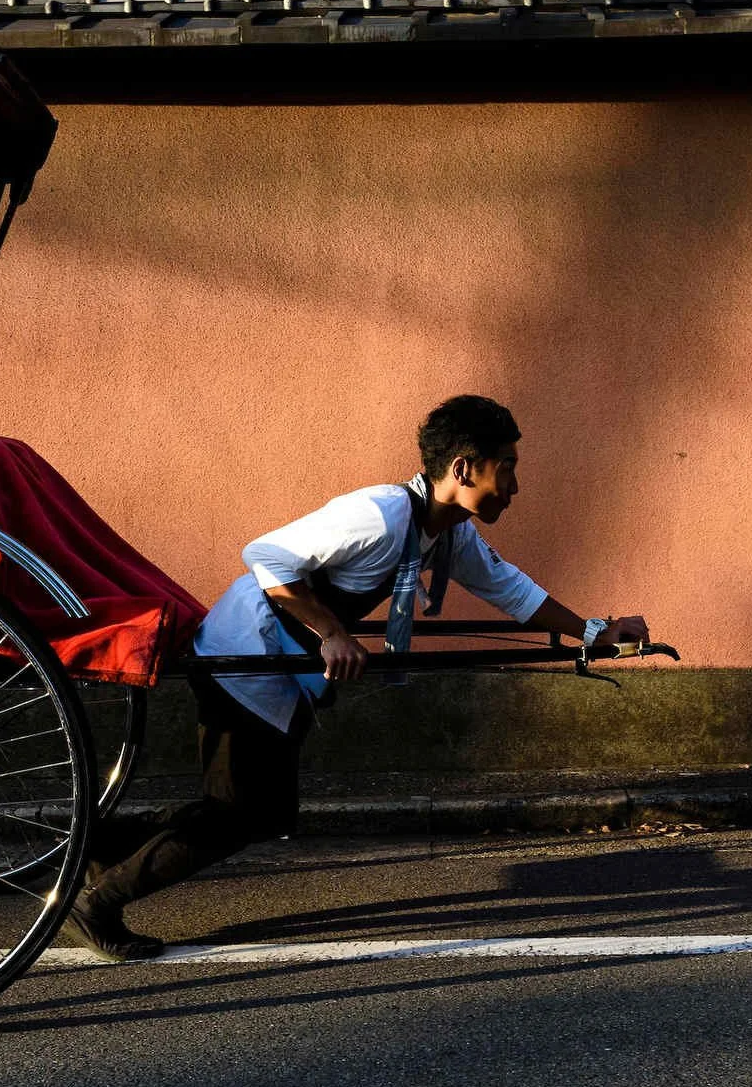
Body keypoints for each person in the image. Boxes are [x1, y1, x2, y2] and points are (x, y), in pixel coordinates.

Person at [66, 394, 651, 961]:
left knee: (261, 811)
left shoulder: (446, 533)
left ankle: (98, 853)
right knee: (241, 811)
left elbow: (511, 590)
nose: (516, 487)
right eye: (509, 468)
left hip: (281, 671)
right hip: (245, 652)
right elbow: (265, 556)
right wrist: (331, 631)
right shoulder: (377, 515)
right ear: (465, 467)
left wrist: (593, 632)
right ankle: (99, 900)